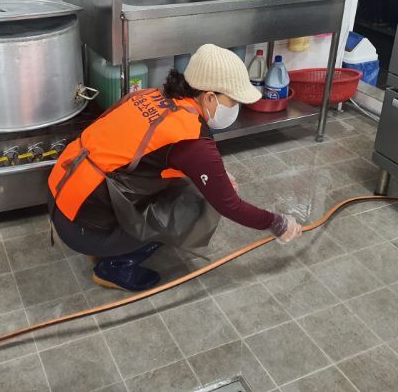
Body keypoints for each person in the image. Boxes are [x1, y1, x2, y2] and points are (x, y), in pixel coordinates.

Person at [48, 44, 302, 292]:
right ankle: (115, 265)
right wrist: (277, 223)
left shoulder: (150, 96)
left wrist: (218, 176)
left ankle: (104, 241)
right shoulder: (191, 140)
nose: (236, 107)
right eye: (233, 100)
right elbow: (230, 206)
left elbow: (141, 154)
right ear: (210, 97)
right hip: (83, 229)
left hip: (62, 201)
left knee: (184, 184)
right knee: (195, 204)